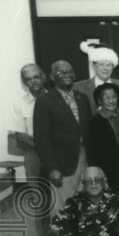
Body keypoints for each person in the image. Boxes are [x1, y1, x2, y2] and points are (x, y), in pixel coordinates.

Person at [34, 60, 92, 216]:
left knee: (83, 204)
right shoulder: (44, 101)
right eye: (61, 73)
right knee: (63, 208)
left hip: (84, 158)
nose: (67, 75)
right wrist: (52, 168)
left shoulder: (82, 98)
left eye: (70, 72)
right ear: (52, 77)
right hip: (61, 163)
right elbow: (41, 139)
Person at [9, 63, 51, 236]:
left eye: (36, 76)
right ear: (24, 83)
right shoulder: (20, 103)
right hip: (34, 152)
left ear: (42, 77)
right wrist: (42, 148)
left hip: (57, 151)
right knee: (39, 195)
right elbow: (18, 134)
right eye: (29, 79)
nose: (33, 81)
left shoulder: (55, 97)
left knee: (61, 193)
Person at [86, 83, 119, 201]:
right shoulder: (95, 122)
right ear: (99, 101)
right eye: (106, 98)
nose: (111, 101)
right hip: (107, 169)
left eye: (114, 97)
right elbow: (98, 149)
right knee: (110, 202)